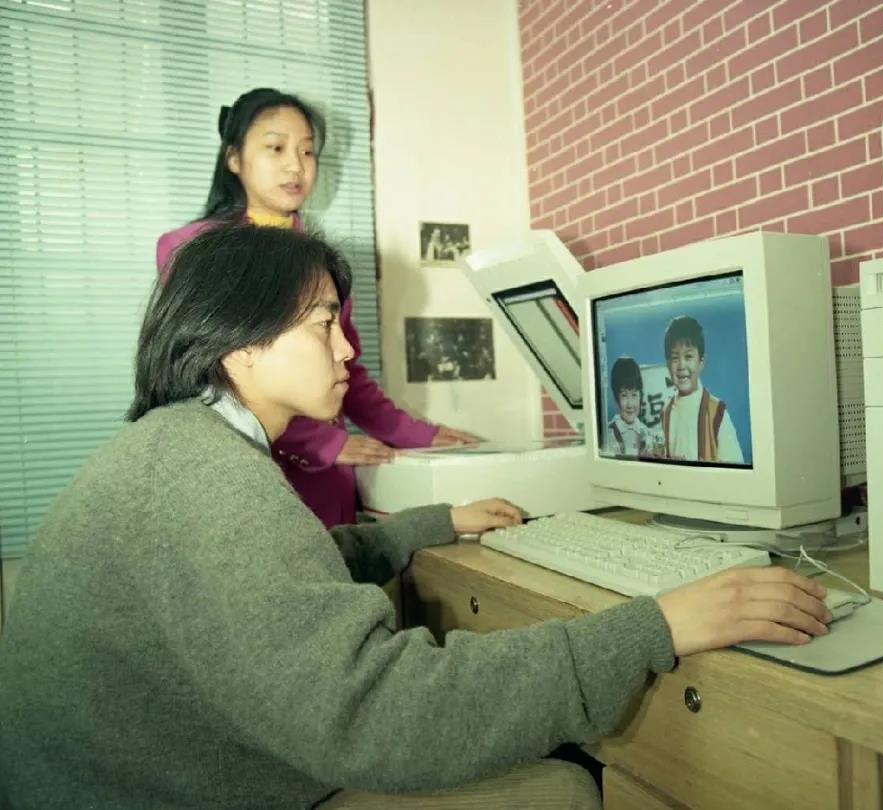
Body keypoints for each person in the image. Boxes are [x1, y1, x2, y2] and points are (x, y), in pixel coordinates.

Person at [0, 226, 832, 808]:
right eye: (323, 325)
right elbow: (382, 713)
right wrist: (656, 624)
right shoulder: (208, 479)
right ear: (240, 342)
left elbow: (278, 581)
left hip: (148, 779)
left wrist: (421, 527)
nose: (346, 349)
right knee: (570, 787)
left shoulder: (178, 448)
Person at [155, 87, 473, 529]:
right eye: (276, 148)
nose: (295, 165)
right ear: (233, 158)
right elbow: (205, 376)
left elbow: (346, 369)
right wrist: (322, 444)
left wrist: (421, 435)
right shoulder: (193, 250)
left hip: (326, 485)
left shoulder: (320, 259)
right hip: (247, 470)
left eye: (307, 151)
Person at [660, 315, 745, 463]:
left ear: (701, 362)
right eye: (675, 358)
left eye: (688, 356)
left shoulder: (717, 412)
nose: (681, 366)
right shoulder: (666, 413)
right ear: (668, 364)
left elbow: (734, 469)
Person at [603, 356, 657, 457]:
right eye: (624, 395)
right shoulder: (607, 434)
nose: (630, 404)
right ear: (616, 397)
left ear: (640, 395)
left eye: (634, 395)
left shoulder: (648, 434)